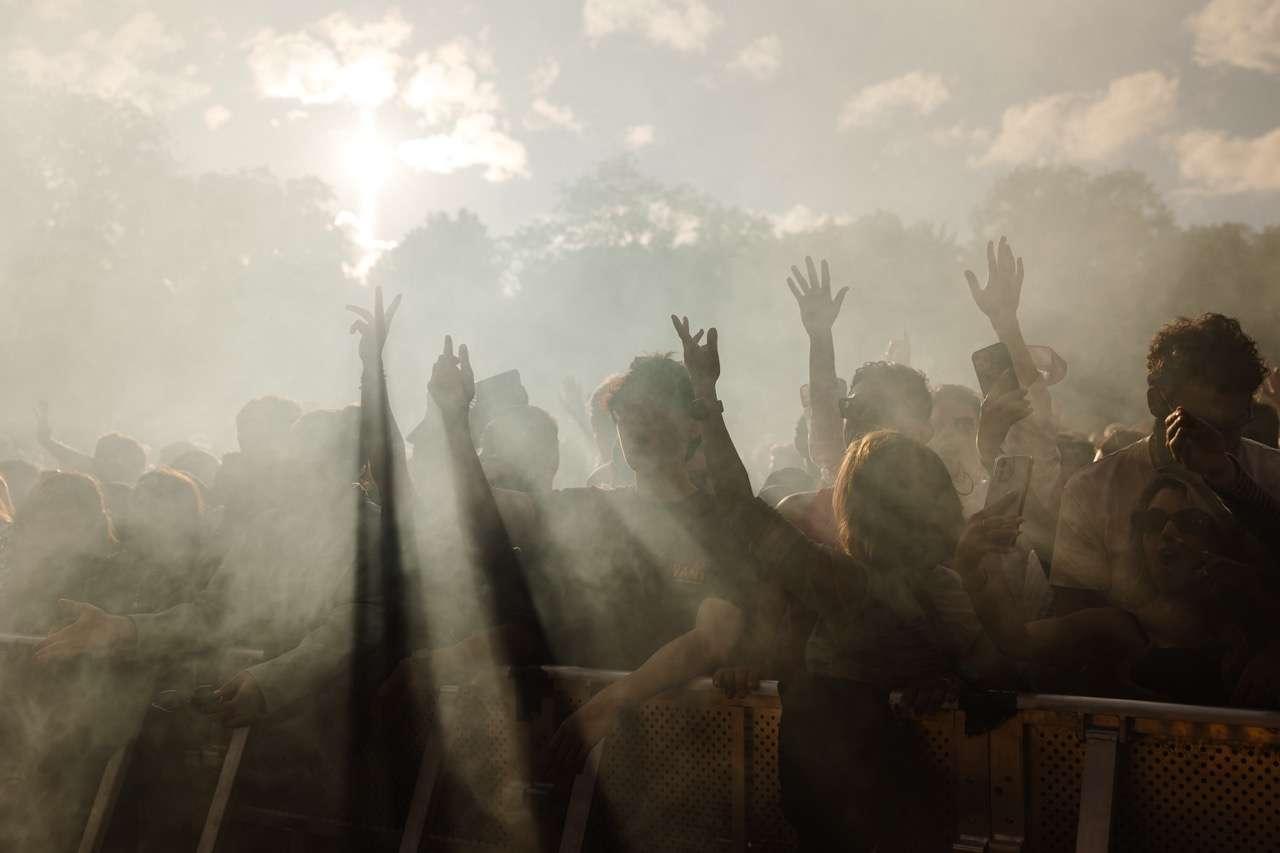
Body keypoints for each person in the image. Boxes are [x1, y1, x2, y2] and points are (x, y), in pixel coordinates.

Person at [959, 474, 1280, 707]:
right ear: (1140, 542)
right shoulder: (1120, 625)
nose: (1168, 533)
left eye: (1190, 522)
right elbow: (1018, 641)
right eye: (1153, 521)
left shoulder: (1254, 617)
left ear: (1218, 537)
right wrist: (977, 572)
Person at [36, 402, 147, 485]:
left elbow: (51, 445)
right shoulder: (96, 468)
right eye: (99, 457)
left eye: (105, 457)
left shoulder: (143, 489)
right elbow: (53, 446)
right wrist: (43, 428)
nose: (100, 461)